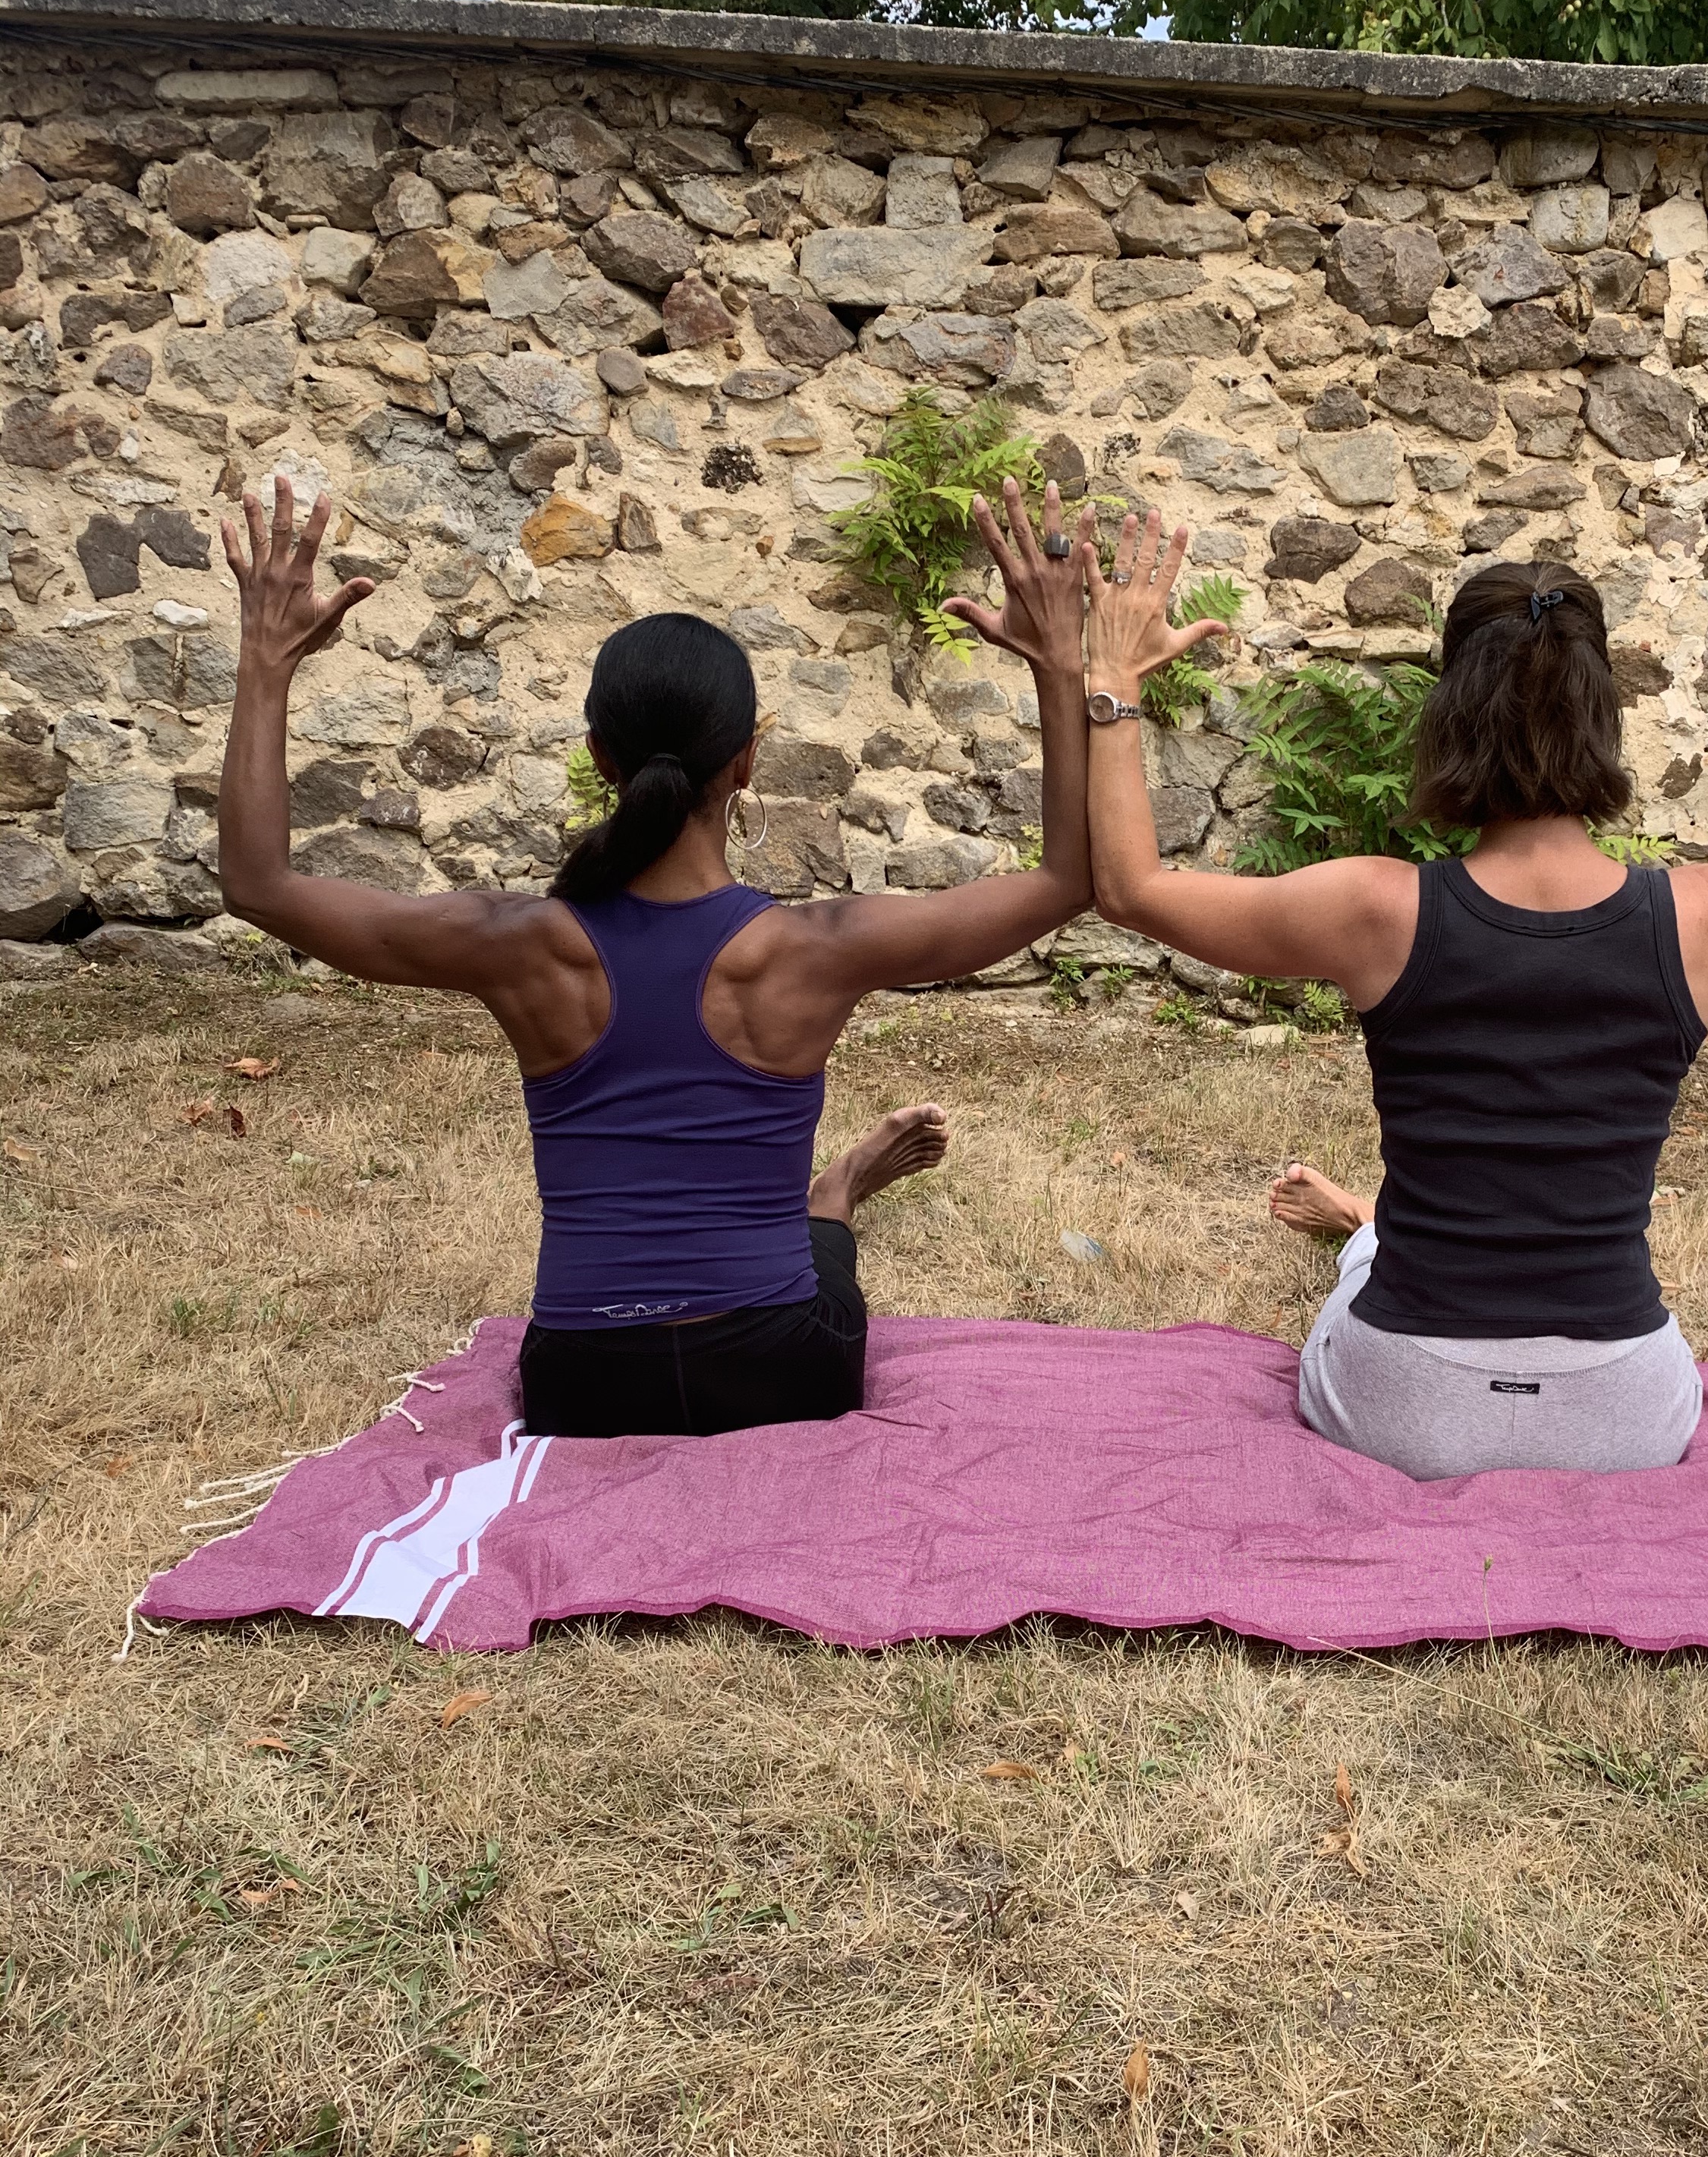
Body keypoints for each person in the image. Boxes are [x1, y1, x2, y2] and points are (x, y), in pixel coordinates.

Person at [1065, 490, 1708, 1482]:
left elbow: (1129, 888)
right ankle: (1366, 1225)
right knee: (1410, 1261)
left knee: (1367, 1276)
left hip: (1405, 1405)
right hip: (1622, 1418)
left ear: (1449, 713)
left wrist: (1113, 678)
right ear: (1606, 715)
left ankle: (1367, 1229)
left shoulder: (1375, 909)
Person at [216, 471, 1096, 1439]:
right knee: (820, 1238)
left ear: (600, 758)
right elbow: (1064, 881)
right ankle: (836, 1188)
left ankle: (833, 1190)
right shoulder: (815, 947)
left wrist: (268, 659)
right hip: (785, 1370)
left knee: (779, 1253)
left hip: (583, 1384)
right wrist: (1059, 661)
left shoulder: (521, 945)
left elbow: (259, 885)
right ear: (747, 761)